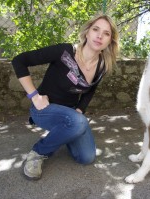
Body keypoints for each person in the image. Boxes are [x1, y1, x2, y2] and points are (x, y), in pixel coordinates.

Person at [12, 14, 119, 180]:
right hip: (44, 109)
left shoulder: (102, 65)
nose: (99, 36)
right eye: (96, 29)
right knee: (78, 122)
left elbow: (90, 90)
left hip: (70, 114)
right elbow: (19, 61)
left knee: (86, 157)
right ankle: (38, 152)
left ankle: (66, 131)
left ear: (110, 41)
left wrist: (80, 109)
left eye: (106, 33)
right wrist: (34, 96)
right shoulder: (65, 51)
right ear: (87, 32)